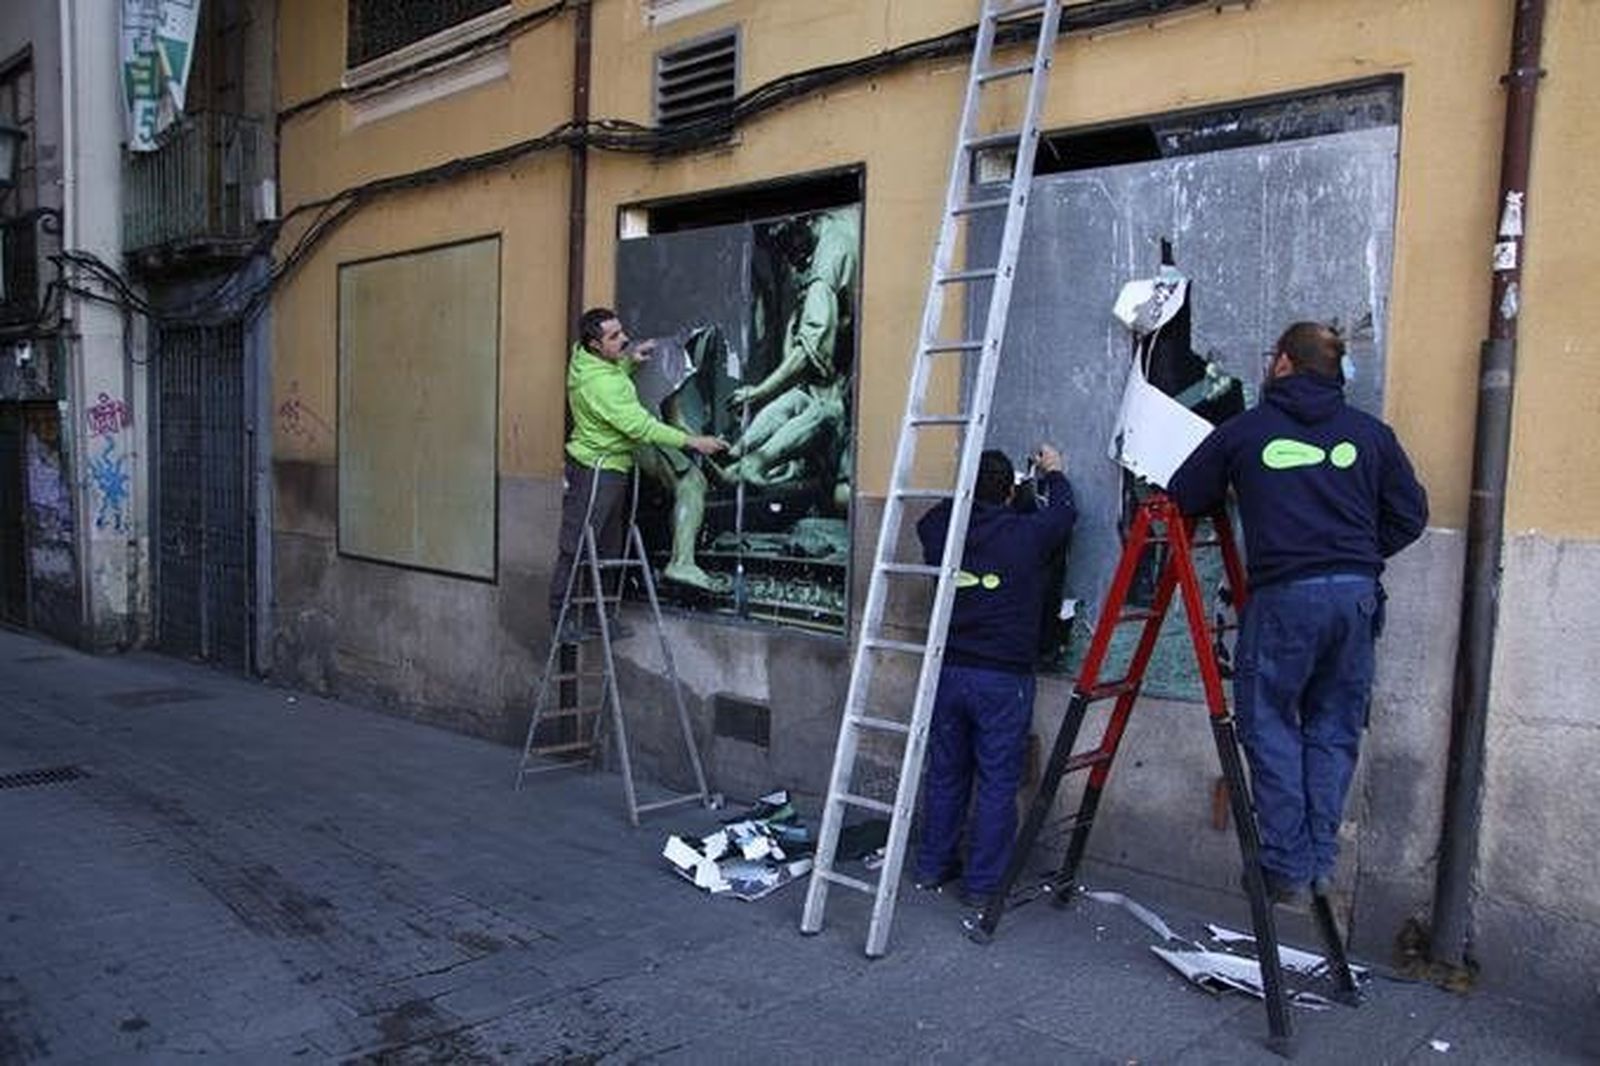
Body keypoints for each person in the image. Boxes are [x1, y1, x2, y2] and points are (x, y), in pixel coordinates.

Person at [1168, 321, 1428, 903]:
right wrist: (1355, 552)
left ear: (1283, 363)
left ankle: (1286, 864)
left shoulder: (1247, 431)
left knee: (1269, 723)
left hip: (1287, 598)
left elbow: (1184, 492)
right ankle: (1318, 860)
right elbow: (1410, 515)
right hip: (1356, 597)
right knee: (1334, 729)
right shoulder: (1372, 435)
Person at [914, 445, 1078, 907]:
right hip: (1002, 678)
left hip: (949, 671)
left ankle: (932, 866)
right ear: (1009, 492)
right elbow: (1064, 516)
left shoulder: (942, 528)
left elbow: (930, 518)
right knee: (997, 780)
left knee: (946, 772)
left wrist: (968, 489)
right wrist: (1055, 474)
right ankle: (983, 885)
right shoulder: (1025, 534)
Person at [548, 308, 727, 644]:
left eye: (621, 331)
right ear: (594, 344)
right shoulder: (599, 384)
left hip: (614, 467)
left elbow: (613, 374)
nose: (624, 339)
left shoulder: (589, 360)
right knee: (576, 548)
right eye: (614, 337)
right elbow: (639, 425)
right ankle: (562, 621)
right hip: (595, 471)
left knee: (607, 547)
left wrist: (630, 360)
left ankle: (596, 619)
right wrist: (693, 441)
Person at [723, 209, 858, 489]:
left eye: (787, 242)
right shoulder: (825, 237)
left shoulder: (828, 262)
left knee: (824, 416)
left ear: (807, 221)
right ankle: (736, 454)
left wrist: (760, 392)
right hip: (830, 384)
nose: (788, 256)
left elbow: (810, 352)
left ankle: (753, 461)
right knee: (795, 402)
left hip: (845, 392)